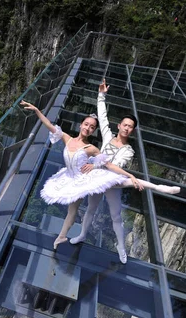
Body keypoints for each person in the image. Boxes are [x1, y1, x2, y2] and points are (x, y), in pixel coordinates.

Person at [68, 79, 180, 264]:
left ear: (132, 131)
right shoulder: (108, 136)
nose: (127, 128)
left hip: (112, 181)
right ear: (119, 125)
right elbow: (102, 116)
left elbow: (115, 165)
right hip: (96, 179)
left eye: (131, 127)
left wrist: (96, 164)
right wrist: (101, 95)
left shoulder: (129, 150)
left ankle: (121, 245)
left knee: (116, 216)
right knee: (90, 209)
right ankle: (81, 234)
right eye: (125, 125)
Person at [20, 100, 143, 257]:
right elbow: (51, 126)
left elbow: (111, 165)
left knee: (103, 214)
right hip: (71, 178)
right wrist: (37, 110)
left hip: (93, 181)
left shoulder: (97, 149)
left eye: (92, 127)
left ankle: (118, 247)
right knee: (81, 210)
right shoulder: (68, 138)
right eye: (86, 124)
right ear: (81, 125)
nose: (88, 128)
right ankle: (72, 235)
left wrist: (130, 175)